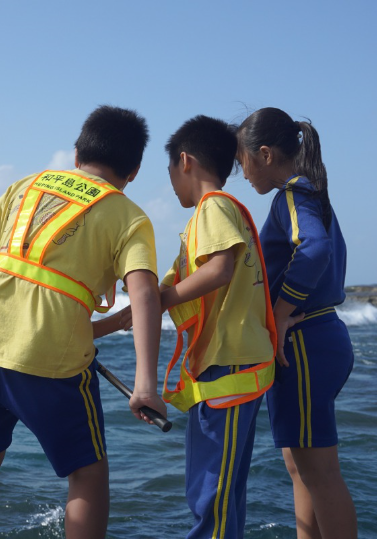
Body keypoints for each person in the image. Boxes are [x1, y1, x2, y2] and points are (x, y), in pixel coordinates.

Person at [0, 105, 167, 539]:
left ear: (77, 151)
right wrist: (145, 387)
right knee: (87, 475)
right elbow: (144, 295)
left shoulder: (28, 184)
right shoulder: (129, 216)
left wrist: (16, 303)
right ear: (134, 171)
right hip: (51, 359)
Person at [236, 107, 357, 539]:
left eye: (242, 160)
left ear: (264, 154)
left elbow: (314, 249)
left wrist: (283, 312)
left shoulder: (292, 194)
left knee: (319, 474)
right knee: (301, 467)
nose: (242, 173)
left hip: (305, 342)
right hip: (319, 340)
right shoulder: (310, 194)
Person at [161, 115, 278, 538]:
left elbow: (220, 270)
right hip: (227, 372)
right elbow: (162, 295)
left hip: (227, 373)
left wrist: (163, 298)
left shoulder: (213, 208)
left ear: (185, 161)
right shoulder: (211, 217)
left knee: (212, 500)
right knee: (219, 495)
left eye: (170, 172)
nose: (171, 184)